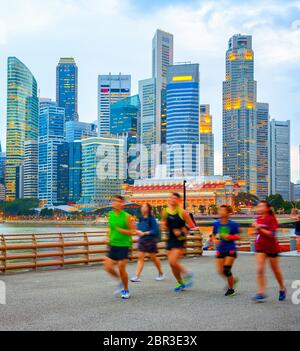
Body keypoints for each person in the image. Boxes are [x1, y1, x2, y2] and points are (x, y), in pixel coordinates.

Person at [252, 201, 287, 303]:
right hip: (260, 247)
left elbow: (271, 234)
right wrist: (255, 231)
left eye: (262, 206)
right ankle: (260, 293)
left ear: (267, 208)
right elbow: (258, 233)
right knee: (260, 269)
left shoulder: (271, 219)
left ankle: (282, 288)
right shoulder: (258, 219)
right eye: (258, 206)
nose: (259, 208)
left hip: (272, 247)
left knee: (275, 270)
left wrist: (259, 227)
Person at [161, 193, 197, 292]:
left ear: (179, 200)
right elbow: (164, 223)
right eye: (171, 198)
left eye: (175, 198)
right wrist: (164, 226)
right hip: (170, 238)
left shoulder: (183, 212)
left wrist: (182, 231)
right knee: (171, 264)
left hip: (180, 238)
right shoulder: (165, 211)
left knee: (173, 261)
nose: (172, 200)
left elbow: (192, 225)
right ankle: (180, 283)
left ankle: (188, 273)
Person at [104, 195, 136, 300]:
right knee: (108, 267)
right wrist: (107, 237)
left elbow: (133, 231)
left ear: (122, 204)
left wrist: (123, 231)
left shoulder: (127, 216)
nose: (116, 203)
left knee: (121, 267)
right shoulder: (110, 215)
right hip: (113, 244)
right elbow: (110, 228)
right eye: (115, 201)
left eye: (119, 202)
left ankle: (126, 290)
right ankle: (121, 281)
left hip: (124, 245)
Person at [131, 204, 165, 282]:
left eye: (145, 207)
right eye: (142, 207)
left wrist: (145, 233)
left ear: (149, 209)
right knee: (140, 257)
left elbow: (155, 230)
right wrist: (137, 231)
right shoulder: (141, 219)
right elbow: (138, 229)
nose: (143, 208)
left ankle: (161, 273)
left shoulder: (151, 219)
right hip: (142, 240)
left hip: (150, 240)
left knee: (153, 258)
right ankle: (137, 276)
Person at [212, 205, 240, 297]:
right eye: (220, 210)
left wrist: (229, 237)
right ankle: (232, 280)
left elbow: (238, 236)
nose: (220, 212)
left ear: (228, 213)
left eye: (223, 210)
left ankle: (231, 289)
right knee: (220, 271)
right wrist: (215, 240)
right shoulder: (216, 223)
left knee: (227, 269)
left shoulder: (233, 224)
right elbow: (213, 235)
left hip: (230, 249)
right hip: (220, 249)